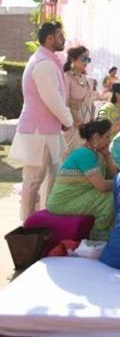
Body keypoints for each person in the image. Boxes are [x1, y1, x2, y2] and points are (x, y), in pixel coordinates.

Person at [9, 21, 73, 221]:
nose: (63, 39)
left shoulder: (46, 60)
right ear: (50, 38)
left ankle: (43, 222)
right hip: (38, 132)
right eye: (60, 35)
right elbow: (52, 98)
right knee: (34, 181)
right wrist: (69, 120)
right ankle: (27, 226)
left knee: (49, 179)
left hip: (47, 131)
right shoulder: (43, 63)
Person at [46, 118, 117, 239]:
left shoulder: (97, 153)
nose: (109, 141)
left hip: (79, 196)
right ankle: (98, 236)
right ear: (95, 137)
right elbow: (102, 186)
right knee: (110, 199)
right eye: (107, 137)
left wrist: (107, 155)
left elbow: (114, 175)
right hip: (63, 202)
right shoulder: (84, 154)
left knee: (115, 194)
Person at [63, 46, 95, 154]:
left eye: (88, 59)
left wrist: (91, 122)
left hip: (87, 125)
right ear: (73, 59)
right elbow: (64, 102)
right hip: (72, 124)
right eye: (83, 58)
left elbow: (91, 103)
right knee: (69, 156)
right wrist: (76, 121)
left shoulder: (88, 80)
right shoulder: (66, 77)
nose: (86, 62)